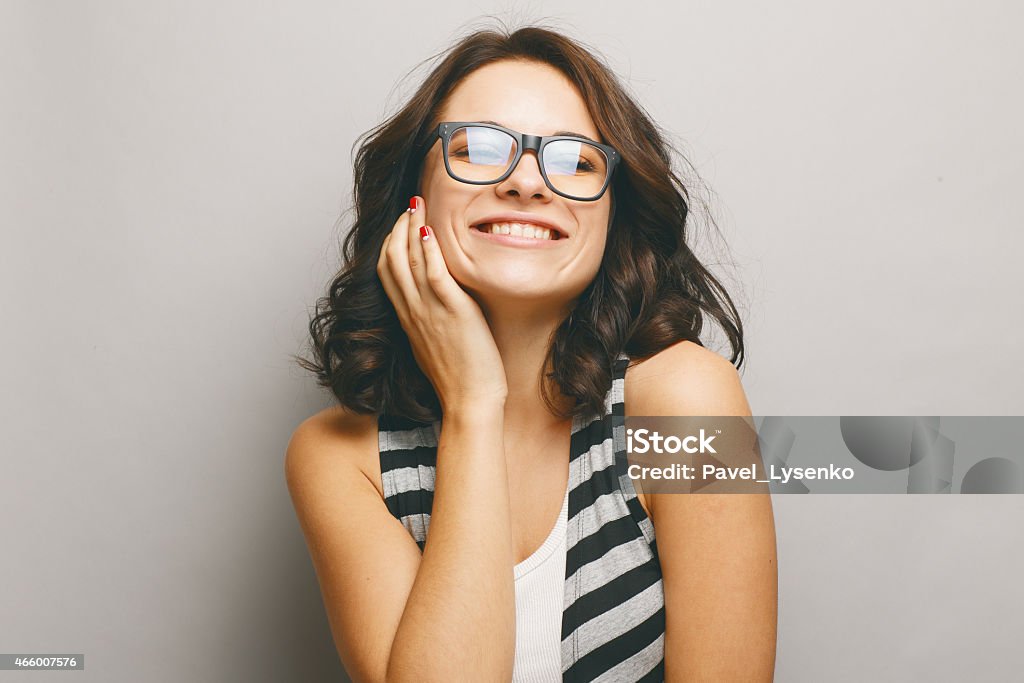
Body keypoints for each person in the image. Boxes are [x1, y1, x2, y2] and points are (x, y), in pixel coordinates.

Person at [286, 24, 777, 682]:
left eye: (574, 160)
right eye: (480, 149)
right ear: (416, 196)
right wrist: (472, 404)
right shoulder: (338, 458)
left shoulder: (688, 403)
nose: (527, 183)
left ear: (612, 214)